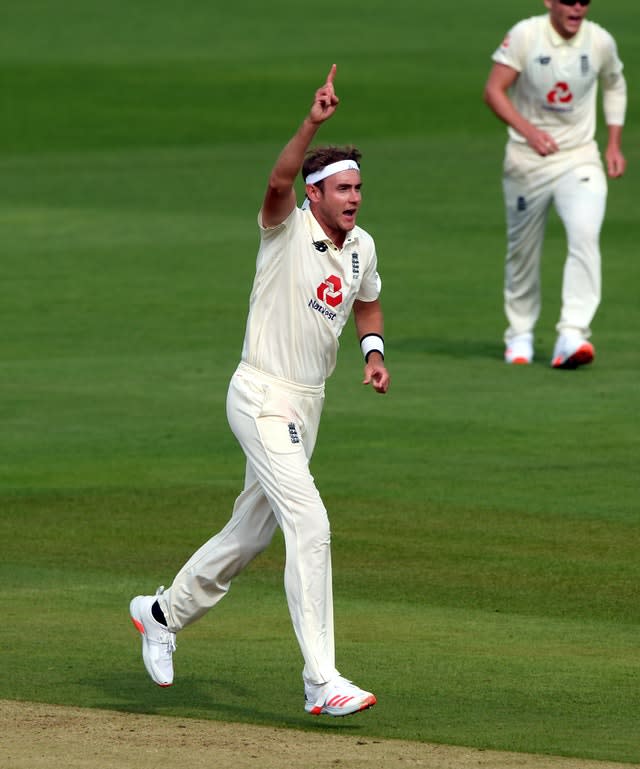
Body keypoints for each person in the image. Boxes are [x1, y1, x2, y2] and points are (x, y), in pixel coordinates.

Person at [129, 64, 390, 717]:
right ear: (316, 192)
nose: (354, 197)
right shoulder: (286, 228)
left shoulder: (361, 247)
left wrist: (374, 352)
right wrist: (313, 121)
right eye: (343, 187)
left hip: (309, 403)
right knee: (311, 521)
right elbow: (276, 180)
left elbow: (368, 301)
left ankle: (161, 613)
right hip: (260, 393)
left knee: (251, 534)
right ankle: (321, 679)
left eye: (359, 186)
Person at [484, 0, 627, 368]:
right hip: (527, 160)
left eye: (584, 1)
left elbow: (615, 85)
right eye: (569, 0)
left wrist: (613, 143)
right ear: (550, 2)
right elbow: (494, 90)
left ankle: (572, 334)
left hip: (579, 156)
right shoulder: (525, 35)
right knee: (523, 249)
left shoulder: (600, 41)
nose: (578, 7)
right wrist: (529, 132)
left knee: (584, 234)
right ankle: (519, 334)